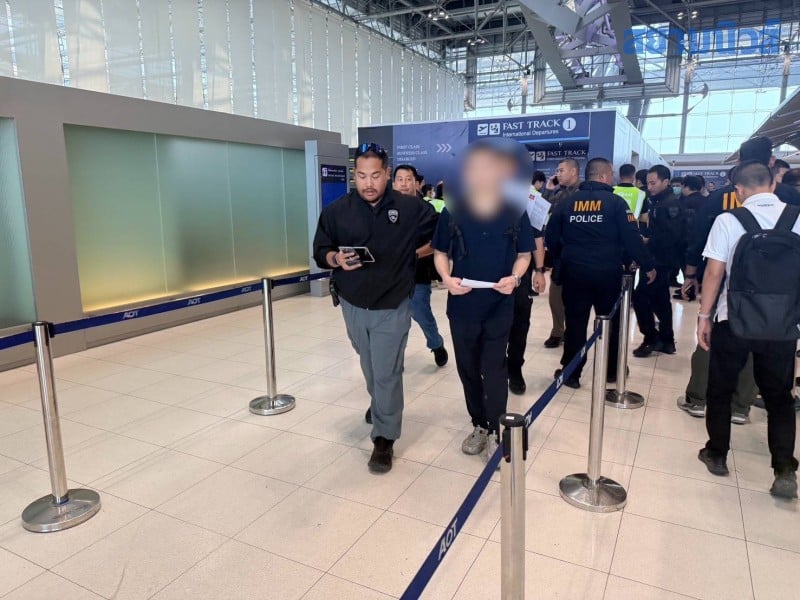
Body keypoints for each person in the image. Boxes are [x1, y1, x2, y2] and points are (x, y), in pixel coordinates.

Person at [312, 144, 437, 474]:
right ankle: (380, 403)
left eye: (376, 175)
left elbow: (443, 233)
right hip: (352, 304)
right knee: (369, 365)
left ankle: (384, 437)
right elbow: (320, 250)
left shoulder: (410, 208)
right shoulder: (337, 211)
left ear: (387, 174)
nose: (369, 183)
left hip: (392, 304)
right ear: (354, 174)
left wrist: (415, 254)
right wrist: (335, 259)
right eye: (362, 176)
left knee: (386, 371)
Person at [678, 137, 800, 420]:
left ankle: (698, 398)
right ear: (771, 162)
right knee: (762, 342)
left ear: (739, 162)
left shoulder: (720, 196)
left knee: (710, 341)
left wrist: (691, 274)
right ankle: (741, 405)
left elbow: (698, 237)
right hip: (780, 293)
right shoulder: (790, 198)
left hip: (725, 283)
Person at [696, 161, 798, 499]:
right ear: (772, 184)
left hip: (734, 320)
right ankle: (784, 469)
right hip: (783, 323)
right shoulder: (797, 217)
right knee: (779, 396)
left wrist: (704, 316)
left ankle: (716, 453)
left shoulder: (729, 220)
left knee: (720, 389)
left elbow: (714, 272)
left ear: (738, 190)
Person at [432, 138, 535, 463]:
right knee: (467, 367)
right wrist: (446, 278)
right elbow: (440, 252)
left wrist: (515, 277)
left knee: (494, 367)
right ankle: (478, 423)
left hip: (499, 303)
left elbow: (524, 254)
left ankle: (496, 428)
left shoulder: (514, 212)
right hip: (462, 304)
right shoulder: (452, 211)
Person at [545, 157, 656, 388]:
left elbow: (551, 237)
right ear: (604, 176)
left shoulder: (567, 202)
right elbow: (632, 238)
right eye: (611, 174)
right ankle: (612, 371)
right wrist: (647, 265)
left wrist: (560, 258)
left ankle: (571, 373)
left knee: (575, 323)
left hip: (574, 274)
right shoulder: (616, 203)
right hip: (608, 274)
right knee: (610, 323)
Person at [393, 164, 448, 368]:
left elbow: (436, 243)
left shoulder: (427, 210)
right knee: (393, 319)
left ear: (416, 183)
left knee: (420, 312)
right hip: (390, 276)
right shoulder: (383, 209)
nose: (404, 184)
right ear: (393, 183)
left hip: (417, 273)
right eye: (400, 179)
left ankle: (436, 343)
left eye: (408, 179)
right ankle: (393, 356)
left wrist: (413, 255)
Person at [632, 165, 685, 357]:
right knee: (660, 300)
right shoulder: (658, 202)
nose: (650, 187)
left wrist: (648, 240)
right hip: (657, 258)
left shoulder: (670, 204)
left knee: (640, 298)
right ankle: (667, 340)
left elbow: (672, 236)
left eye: (653, 183)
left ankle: (651, 338)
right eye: (648, 183)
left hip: (661, 261)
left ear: (666, 182)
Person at [507, 175, 548, 394]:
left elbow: (537, 238)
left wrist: (539, 271)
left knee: (520, 323)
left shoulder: (529, 200)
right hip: (488, 274)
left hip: (520, 275)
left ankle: (515, 368)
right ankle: (493, 367)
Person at [542, 159, 581, 349]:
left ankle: (572, 332)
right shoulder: (560, 193)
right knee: (555, 294)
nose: (558, 173)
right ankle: (558, 330)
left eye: (561, 170)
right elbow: (544, 210)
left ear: (573, 171)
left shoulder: (582, 192)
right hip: (559, 252)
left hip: (578, 252)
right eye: (557, 170)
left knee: (575, 297)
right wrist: (549, 190)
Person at [672, 175, 705, 301]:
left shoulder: (683, 202)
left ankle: (688, 291)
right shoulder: (706, 201)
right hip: (703, 240)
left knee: (687, 268)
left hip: (685, 240)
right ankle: (692, 289)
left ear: (685, 186)